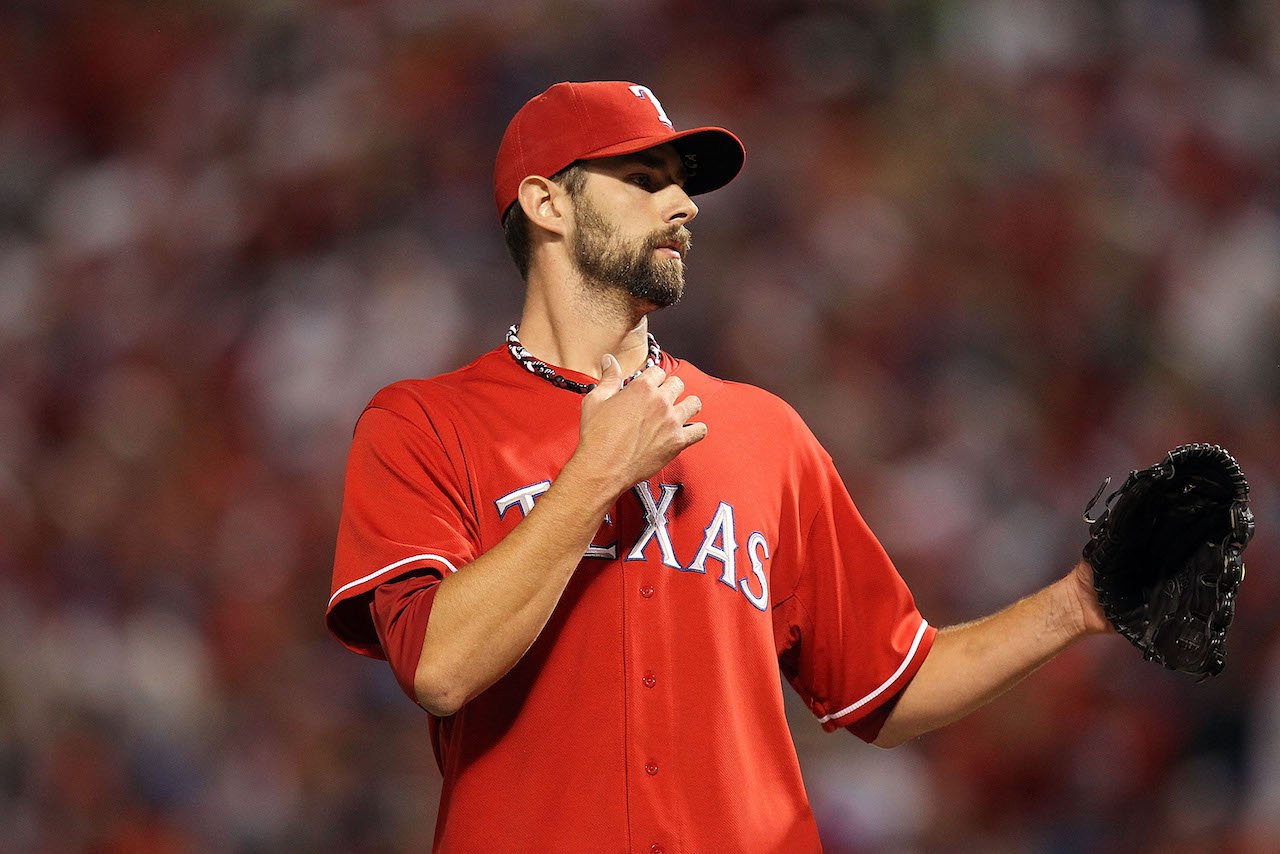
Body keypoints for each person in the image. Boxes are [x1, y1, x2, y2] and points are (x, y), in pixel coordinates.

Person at [326, 80, 1112, 853]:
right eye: (643, 179)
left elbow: (891, 683)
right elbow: (439, 667)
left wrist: (1077, 604)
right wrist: (595, 476)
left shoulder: (762, 432)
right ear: (547, 204)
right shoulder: (425, 424)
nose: (684, 206)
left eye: (682, 185)